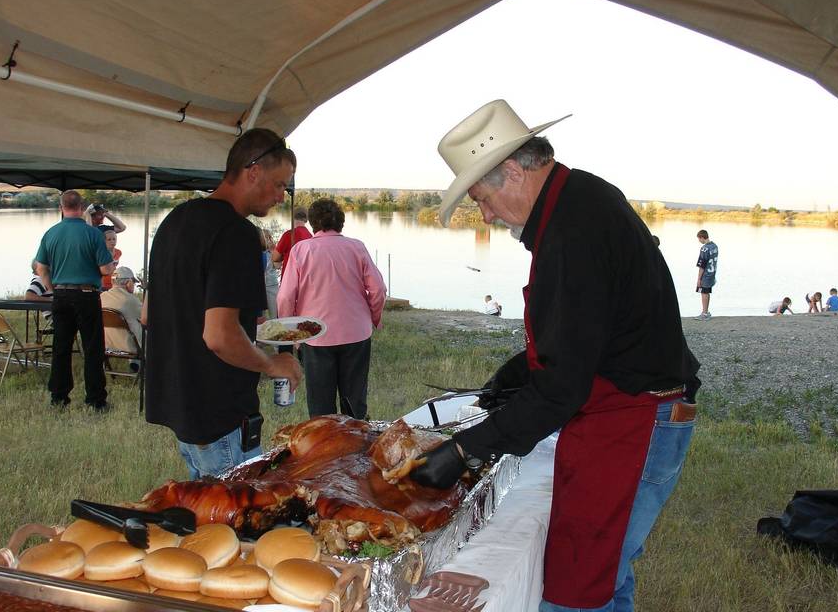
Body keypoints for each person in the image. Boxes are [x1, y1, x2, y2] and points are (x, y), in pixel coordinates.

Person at [410, 100, 700, 612]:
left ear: (515, 172)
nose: (487, 215)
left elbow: (563, 386)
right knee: (605, 578)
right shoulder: (579, 200)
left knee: (577, 590)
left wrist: (463, 451)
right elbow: (585, 330)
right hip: (626, 413)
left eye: (482, 199)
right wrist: (516, 372)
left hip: (632, 421)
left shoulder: (572, 232)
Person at [144, 128, 302, 479]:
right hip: (222, 419)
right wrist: (271, 364)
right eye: (279, 184)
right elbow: (218, 336)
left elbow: (148, 313)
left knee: (209, 524)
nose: (281, 196)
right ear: (253, 171)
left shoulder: (174, 221)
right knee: (241, 527)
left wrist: (248, 330)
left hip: (184, 412)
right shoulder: (237, 233)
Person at [277, 198, 386, 419]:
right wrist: (374, 318)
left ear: (312, 223)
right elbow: (378, 289)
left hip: (315, 336)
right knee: (354, 402)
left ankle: (325, 447)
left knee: (320, 405)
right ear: (341, 223)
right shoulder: (357, 247)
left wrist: (290, 336)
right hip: (356, 333)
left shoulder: (301, 250)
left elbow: (286, 297)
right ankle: (357, 446)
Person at [34, 190, 115, 411]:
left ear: (61, 207)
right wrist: (111, 266)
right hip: (87, 295)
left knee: (61, 348)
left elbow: (40, 267)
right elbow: (105, 268)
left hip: (60, 295)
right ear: (81, 207)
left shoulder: (51, 233)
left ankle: (59, 398)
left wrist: (51, 289)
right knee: (92, 348)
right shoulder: (92, 234)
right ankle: (95, 400)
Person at [100, 266, 143, 358]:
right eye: (134, 282)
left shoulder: (101, 297)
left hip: (106, 347)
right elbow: (146, 318)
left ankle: (135, 365)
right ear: (129, 282)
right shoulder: (131, 300)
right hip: (130, 348)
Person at [271, 207, 311, 273]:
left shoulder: (289, 234)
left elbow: (275, 257)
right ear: (306, 219)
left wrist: (273, 251)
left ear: (293, 218)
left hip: (289, 276)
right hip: (304, 276)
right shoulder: (311, 236)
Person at [695, 229, 718, 319]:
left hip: (706, 274)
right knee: (707, 292)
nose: (699, 241)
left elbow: (702, 265)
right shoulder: (714, 246)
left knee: (704, 293)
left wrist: (699, 279)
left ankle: (704, 313)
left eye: (699, 239)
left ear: (701, 237)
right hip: (712, 273)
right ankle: (706, 312)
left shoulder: (705, 248)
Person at [260, 228, 280, 319]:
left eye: (268, 238)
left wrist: (273, 251)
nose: (267, 240)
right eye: (265, 238)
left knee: (274, 312)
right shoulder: (257, 253)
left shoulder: (272, 252)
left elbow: (278, 266)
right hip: (261, 286)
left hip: (272, 285)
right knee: (262, 314)